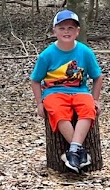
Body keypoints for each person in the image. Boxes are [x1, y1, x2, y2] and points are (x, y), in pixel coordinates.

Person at [29, 9, 104, 173]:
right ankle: (79, 152)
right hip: (53, 92)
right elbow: (35, 80)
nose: (66, 32)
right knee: (57, 111)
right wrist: (39, 103)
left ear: (77, 31)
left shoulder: (85, 52)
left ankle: (73, 151)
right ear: (54, 31)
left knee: (88, 108)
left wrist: (96, 99)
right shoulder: (46, 55)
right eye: (62, 28)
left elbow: (98, 77)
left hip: (80, 91)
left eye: (71, 28)